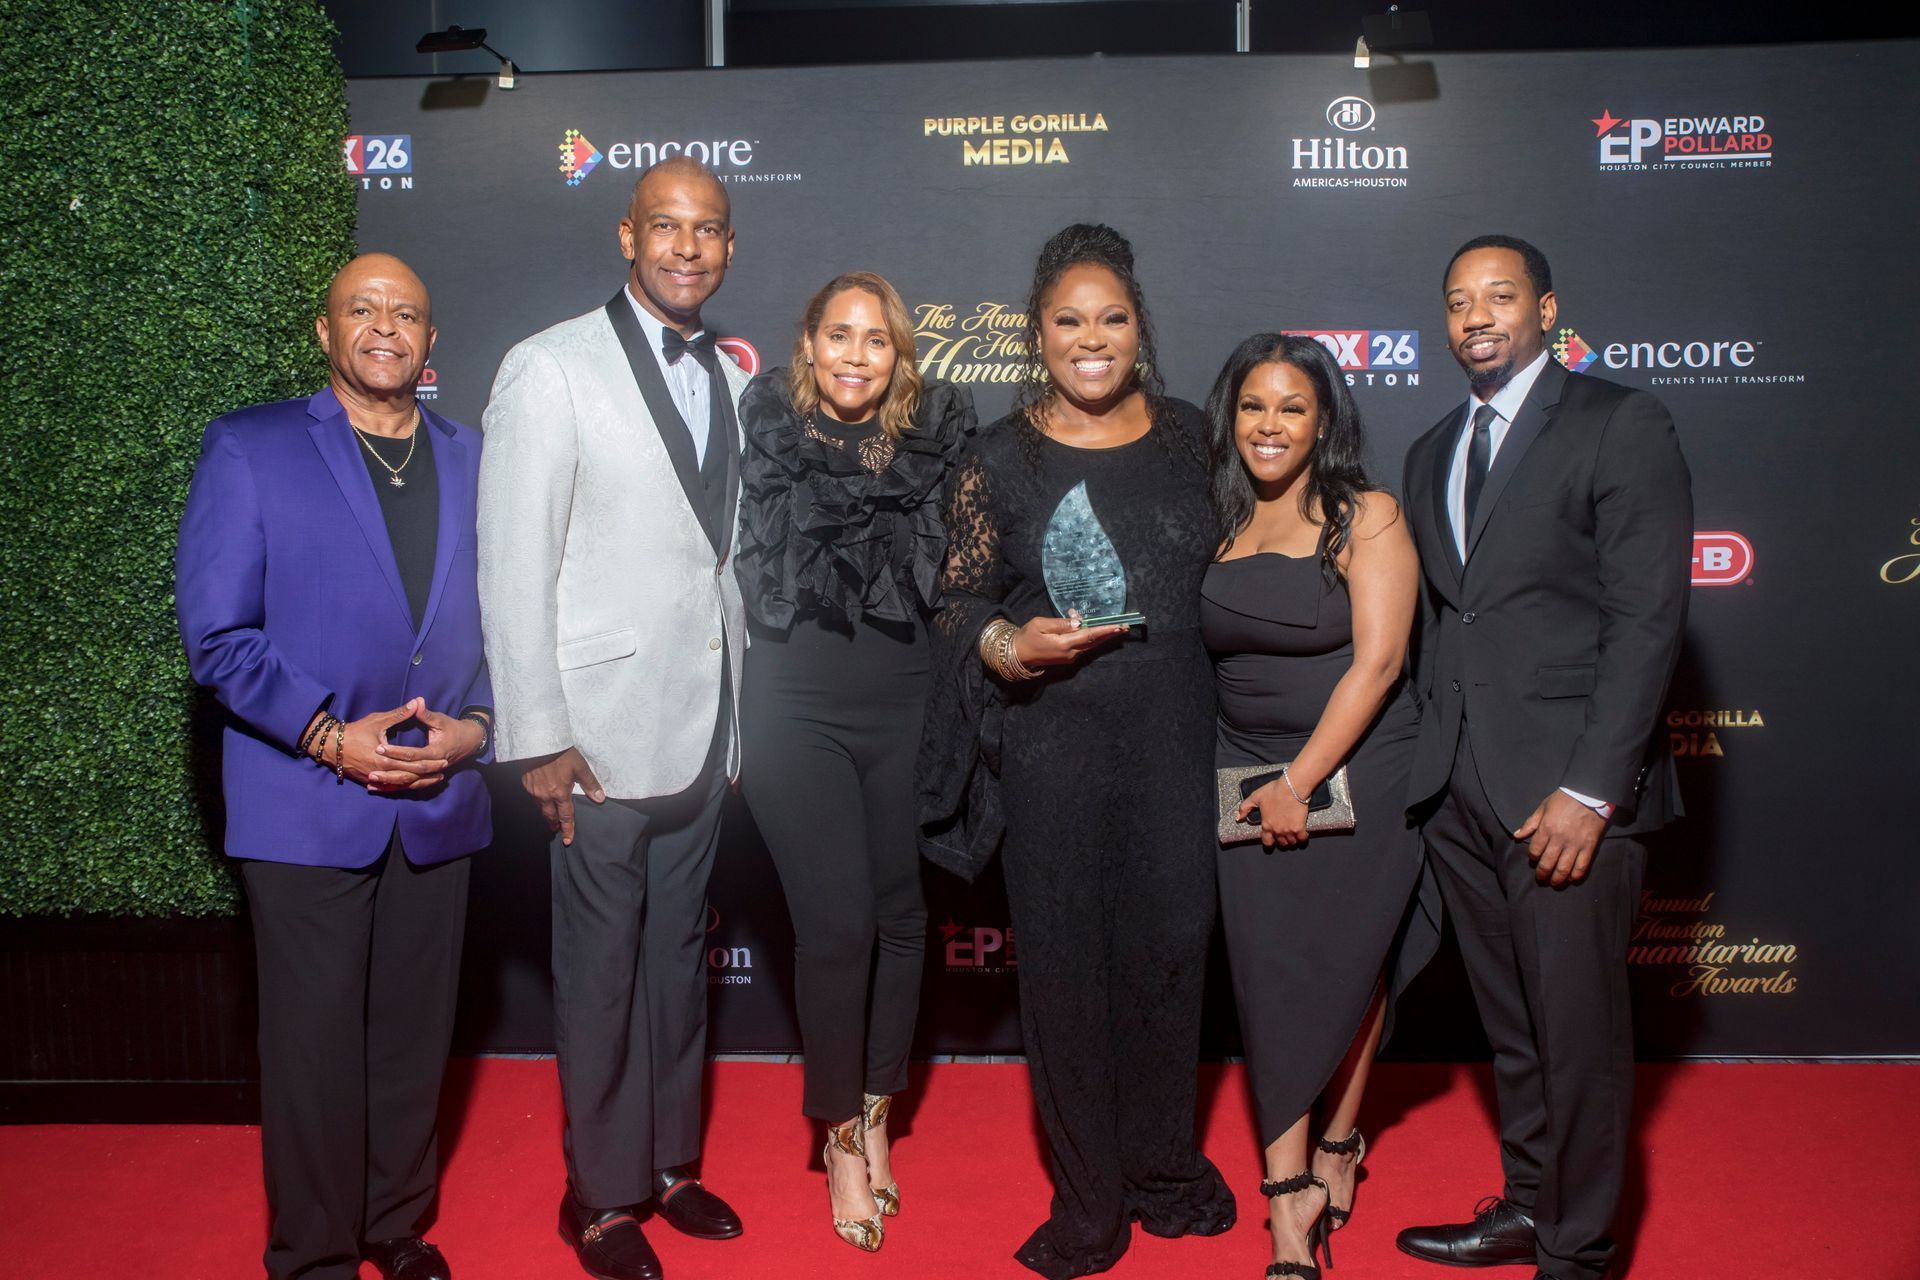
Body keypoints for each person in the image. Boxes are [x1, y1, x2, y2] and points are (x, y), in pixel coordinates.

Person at [919, 223, 1235, 1279]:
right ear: (1037, 333)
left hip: (1179, 740)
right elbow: (957, 599)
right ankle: (1090, 1198)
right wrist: (1008, 642)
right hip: (1051, 744)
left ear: (1139, 326)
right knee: (1062, 973)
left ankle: (1160, 1162)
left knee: (1171, 954)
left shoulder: (1198, 439)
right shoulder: (997, 457)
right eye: (1068, 320)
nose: (1090, 338)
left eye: (1111, 317)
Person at [176, 253, 492, 1280]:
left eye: (408, 311)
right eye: (364, 308)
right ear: (326, 331)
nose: (386, 325)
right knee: (312, 1046)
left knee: (411, 1035)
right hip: (304, 797)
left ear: (432, 342)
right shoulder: (252, 446)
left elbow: (516, 628)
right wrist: (326, 734)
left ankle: (394, 1227)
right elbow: (217, 636)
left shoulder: (479, 458)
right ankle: (311, 1254)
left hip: (438, 799)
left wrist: (478, 729)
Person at [1394, 236, 1691, 1280]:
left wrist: (1594, 787)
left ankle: (1580, 1249)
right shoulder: (1431, 449)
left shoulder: (1620, 423)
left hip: (1570, 792)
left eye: (1499, 295)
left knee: (1581, 1038)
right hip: (1463, 790)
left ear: (1547, 307)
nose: (1476, 314)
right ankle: (1528, 1203)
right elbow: (1448, 621)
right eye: (1458, 300)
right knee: (1514, 1030)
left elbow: (1647, 620)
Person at [478, 157, 747, 1280]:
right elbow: (512, 560)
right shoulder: (548, 366)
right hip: (592, 728)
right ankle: (596, 1194)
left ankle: (669, 1163)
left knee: (679, 957)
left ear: (727, 247)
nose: (688, 248)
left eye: (710, 230)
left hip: (705, 720)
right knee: (599, 966)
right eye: (667, 228)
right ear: (626, 236)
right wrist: (535, 731)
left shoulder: (732, 377)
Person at [733, 271, 975, 1252]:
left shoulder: (939, 434)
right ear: (809, 340)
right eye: (840, 334)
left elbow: (969, 562)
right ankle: (836, 1137)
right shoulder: (762, 426)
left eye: (877, 340)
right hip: (794, 706)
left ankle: (878, 1111)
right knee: (835, 926)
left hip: (906, 699)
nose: (856, 355)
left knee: (902, 915)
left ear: (899, 355)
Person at [1199, 334, 1441, 1279]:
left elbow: (1380, 665)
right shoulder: (1221, 518)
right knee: (1271, 981)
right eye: (1253, 405)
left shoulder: (1365, 515)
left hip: (1357, 770)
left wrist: (1298, 783)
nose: (1269, 424)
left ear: (1324, 420)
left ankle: (1322, 1160)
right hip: (1238, 771)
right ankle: (1294, 1182)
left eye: (1291, 407)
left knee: (1348, 967)